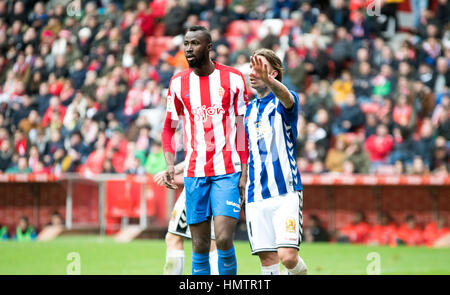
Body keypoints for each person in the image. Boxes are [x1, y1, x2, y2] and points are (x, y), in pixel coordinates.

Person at [161, 26, 249, 275]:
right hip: (194, 173)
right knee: (199, 245)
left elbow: (241, 129)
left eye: (195, 43)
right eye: (186, 44)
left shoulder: (233, 79)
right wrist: (170, 163)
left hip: (227, 171)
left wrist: (244, 171)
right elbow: (168, 128)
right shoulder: (178, 83)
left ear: (209, 47)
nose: (189, 48)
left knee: (222, 239)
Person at [244, 48, 307, 275]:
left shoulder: (284, 102)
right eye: (252, 67)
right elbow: (246, 153)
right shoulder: (248, 111)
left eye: (259, 67)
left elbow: (287, 98)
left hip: (285, 193)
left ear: (274, 73)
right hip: (256, 196)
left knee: (288, 258)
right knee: (267, 260)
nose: (253, 72)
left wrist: (268, 81)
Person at [153, 161, 218, 275]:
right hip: (225, 180)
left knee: (174, 237)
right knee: (213, 241)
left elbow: (202, 149)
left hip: (199, 180)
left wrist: (175, 168)